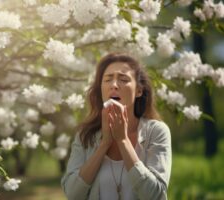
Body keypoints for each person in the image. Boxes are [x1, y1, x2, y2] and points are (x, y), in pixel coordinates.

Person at [61, 52, 172, 200]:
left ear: (139, 91)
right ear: (101, 89)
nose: (114, 85)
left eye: (123, 79)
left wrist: (123, 140)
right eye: (107, 79)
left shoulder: (156, 131)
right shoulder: (85, 135)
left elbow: (155, 194)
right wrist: (104, 144)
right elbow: (72, 193)